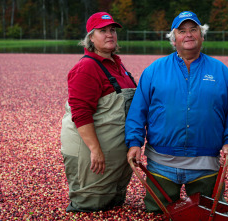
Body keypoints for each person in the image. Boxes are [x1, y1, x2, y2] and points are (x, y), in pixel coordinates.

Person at [125, 11, 228, 212]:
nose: (188, 34)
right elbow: (138, 112)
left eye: (193, 30)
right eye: (182, 31)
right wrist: (134, 143)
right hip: (161, 164)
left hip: (206, 166)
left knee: (207, 215)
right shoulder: (154, 70)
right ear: (174, 40)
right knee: (157, 214)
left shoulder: (221, 71)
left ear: (202, 35)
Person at [60, 12, 137, 212]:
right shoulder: (86, 67)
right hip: (93, 155)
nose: (110, 34)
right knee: (89, 207)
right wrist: (95, 149)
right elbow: (81, 112)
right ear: (91, 37)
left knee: (112, 207)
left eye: (112, 30)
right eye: (102, 31)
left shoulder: (118, 66)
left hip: (117, 160)